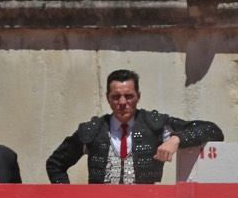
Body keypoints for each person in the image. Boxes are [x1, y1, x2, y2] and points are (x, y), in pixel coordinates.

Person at [45, 69, 223, 184]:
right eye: (116, 97)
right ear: (108, 97)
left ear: (138, 96)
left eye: (128, 96)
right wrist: (66, 196)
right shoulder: (94, 130)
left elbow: (213, 130)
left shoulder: (155, 125)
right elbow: (55, 164)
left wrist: (177, 138)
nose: (123, 102)